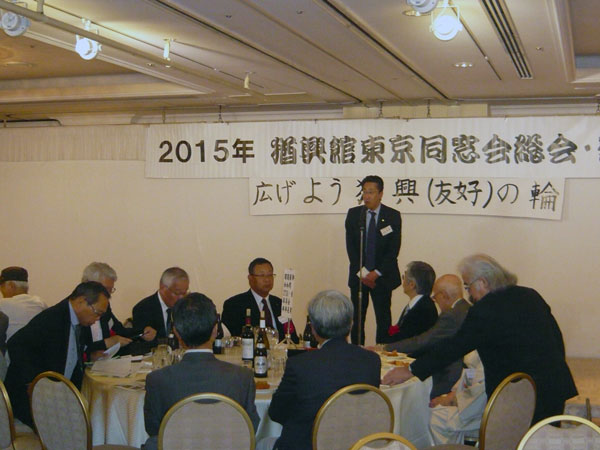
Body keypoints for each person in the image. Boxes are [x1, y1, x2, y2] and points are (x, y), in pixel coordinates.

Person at [382, 254, 577, 424]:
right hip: (554, 384)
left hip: (518, 394)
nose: (469, 294)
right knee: (544, 439)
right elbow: (556, 336)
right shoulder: (530, 295)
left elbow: (454, 347)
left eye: (468, 286)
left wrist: (411, 370)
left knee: (513, 442)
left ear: (482, 282)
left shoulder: (485, 309)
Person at [143, 292, 259, 450]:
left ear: (176, 332)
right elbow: (250, 427)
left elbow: (155, 429)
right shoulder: (242, 376)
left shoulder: (157, 379)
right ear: (215, 330)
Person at [268, 290, 381, 450]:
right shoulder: (371, 361)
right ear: (351, 324)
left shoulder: (300, 365)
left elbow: (276, 412)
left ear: (313, 328)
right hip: (356, 444)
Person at [5, 281, 110, 426]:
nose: (98, 319)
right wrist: (34, 381)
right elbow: (16, 344)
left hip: (58, 395)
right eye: (97, 313)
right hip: (33, 399)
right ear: (81, 301)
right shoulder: (53, 318)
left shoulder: (81, 321)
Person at [381, 274, 470, 398]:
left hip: (447, 376)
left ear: (444, 295)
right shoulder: (466, 308)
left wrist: (385, 348)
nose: (435, 300)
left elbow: (423, 341)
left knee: (407, 392)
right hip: (462, 373)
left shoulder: (451, 315)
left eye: (435, 296)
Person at [345, 175, 402, 344]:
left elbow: (393, 250)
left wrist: (376, 273)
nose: (367, 196)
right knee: (357, 319)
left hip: (382, 278)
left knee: (383, 319)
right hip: (359, 276)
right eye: (364, 192)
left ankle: (382, 353)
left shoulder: (392, 216)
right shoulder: (355, 215)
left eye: (371, 192)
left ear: (381, 194)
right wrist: (364, 273)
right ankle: (357, 352)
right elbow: (351, 248)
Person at [80, 262, 156, 359]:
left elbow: (120, 330)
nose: (108, 295)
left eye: (111, 290)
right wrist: (106, 343)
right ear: (88, 285)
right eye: (105, 289)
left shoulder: (105, 306)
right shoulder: (78, 310)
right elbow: (80, 346)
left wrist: (142, 332)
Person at [222, 258, 298, 342]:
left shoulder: (280, 304)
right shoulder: (234, 305)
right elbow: (232, 340)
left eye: (270, 275)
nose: (267, 280)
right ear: (250, 278)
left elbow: (293, 339)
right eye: (262, 275)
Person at [429, 351, 487, 445]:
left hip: (482, 415)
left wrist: (453, 400)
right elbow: (469, 374)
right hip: (471, 402)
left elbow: (480, 391)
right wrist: (453, 394)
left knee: (435, 416)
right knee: (436, 406)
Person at [384, 261, 438, 344]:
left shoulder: (423, 309)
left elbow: (406, 338)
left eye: (404, 277)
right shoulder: (419, 304)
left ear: (412, 284)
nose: (403, 281)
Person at [132, 267, 189, 345]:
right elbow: (142, 344)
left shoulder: (186, 307)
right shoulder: (143, 309)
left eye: (185, 293)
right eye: (177, 293)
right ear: (163, 289)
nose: (181, 298)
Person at [0, 266, 47, 340]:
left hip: (11, 347)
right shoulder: (40, 303)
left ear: (11, 286)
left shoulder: (2, 304)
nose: (1, 291)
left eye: (2, 286)